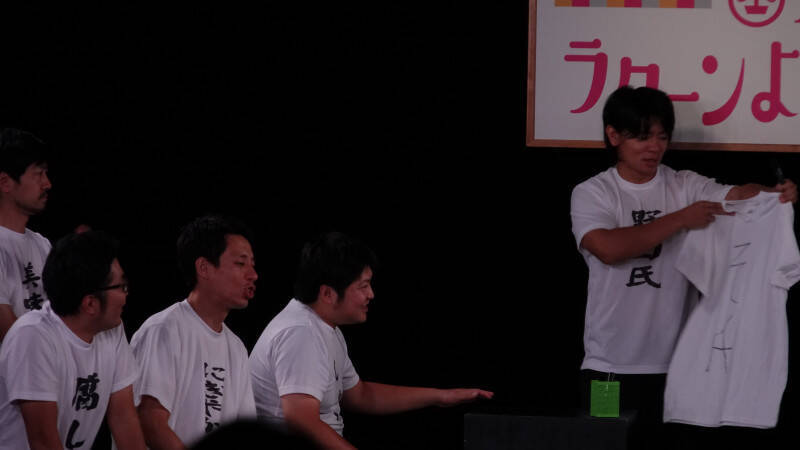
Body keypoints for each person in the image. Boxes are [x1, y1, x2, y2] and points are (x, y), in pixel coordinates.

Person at [570, 86, 797, 441]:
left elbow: (737, 195)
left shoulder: (683, 184)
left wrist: (771, 194)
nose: (654, 147)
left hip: (679, 366)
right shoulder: (593, 192)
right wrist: (680, 219)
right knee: (604, 443)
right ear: (613, 136)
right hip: (609, 367)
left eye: (662, 137)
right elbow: (608, 248)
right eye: (642, 137)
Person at [249, 231, 494, 450]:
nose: (371, 294)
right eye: (363, 286)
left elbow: (361, 395)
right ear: (327, 293)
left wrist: (442, 397)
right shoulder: (301, 333)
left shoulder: (324, 328)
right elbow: (301, 420)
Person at [0, 231, 146, 450]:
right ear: (90, 304)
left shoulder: (111, 329)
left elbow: (123, 417)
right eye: (120, 287)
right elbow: (42, 441)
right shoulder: (32, 336)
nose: (126, 294)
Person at [131, 215, 257, 448]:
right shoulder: (164, 330)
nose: (253, 275)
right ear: (204, 268)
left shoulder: (236, 347)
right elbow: (149, 420)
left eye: (252, 264)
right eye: (241, 264)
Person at [0, 128, 53, 342]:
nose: (47, 183)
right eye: (38, 174)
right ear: (5, 182)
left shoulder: (42, 245)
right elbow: (9, 333)